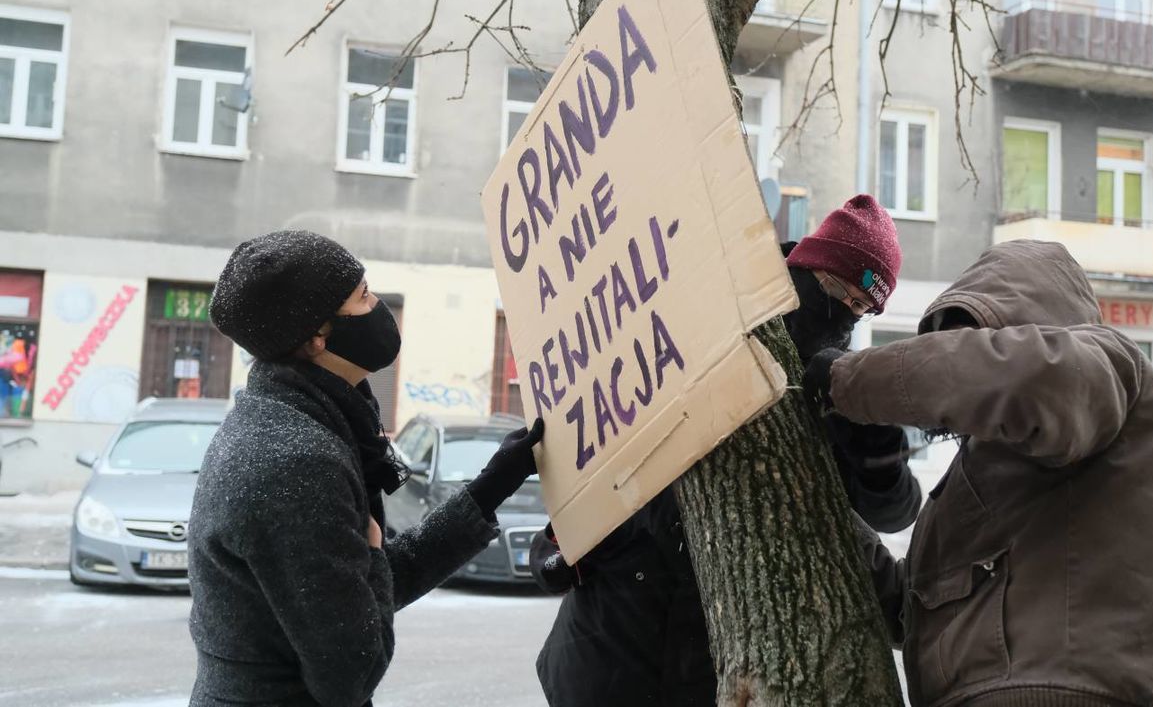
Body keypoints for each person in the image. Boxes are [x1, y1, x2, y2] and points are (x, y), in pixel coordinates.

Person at [530, 194, 921, 707]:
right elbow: (607, 444)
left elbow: (889, 512)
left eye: (861, 308)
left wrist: (879, 456)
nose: (844, 316)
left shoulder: (832, 392)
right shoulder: (702, 323)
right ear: (803, 266)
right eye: (835, 290)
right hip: (604, 652)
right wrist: (559, 542)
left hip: (701, 668)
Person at [804, 239, 1153, 707]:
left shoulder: (1106, 360)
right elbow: (914, 609)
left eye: (972, 339)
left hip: (1082, 689)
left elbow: (1030, 376)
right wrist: (814, 504)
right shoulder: (977, 482)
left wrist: (849, 382)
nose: (955, 363)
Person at [188, 230, 543, 707]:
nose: (379, 308)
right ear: (317, 335)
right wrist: (374, 555)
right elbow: (351, 673)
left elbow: (350, 586)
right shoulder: (296, 462)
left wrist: (488, 490)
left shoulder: (299, 419)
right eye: (363, 297)